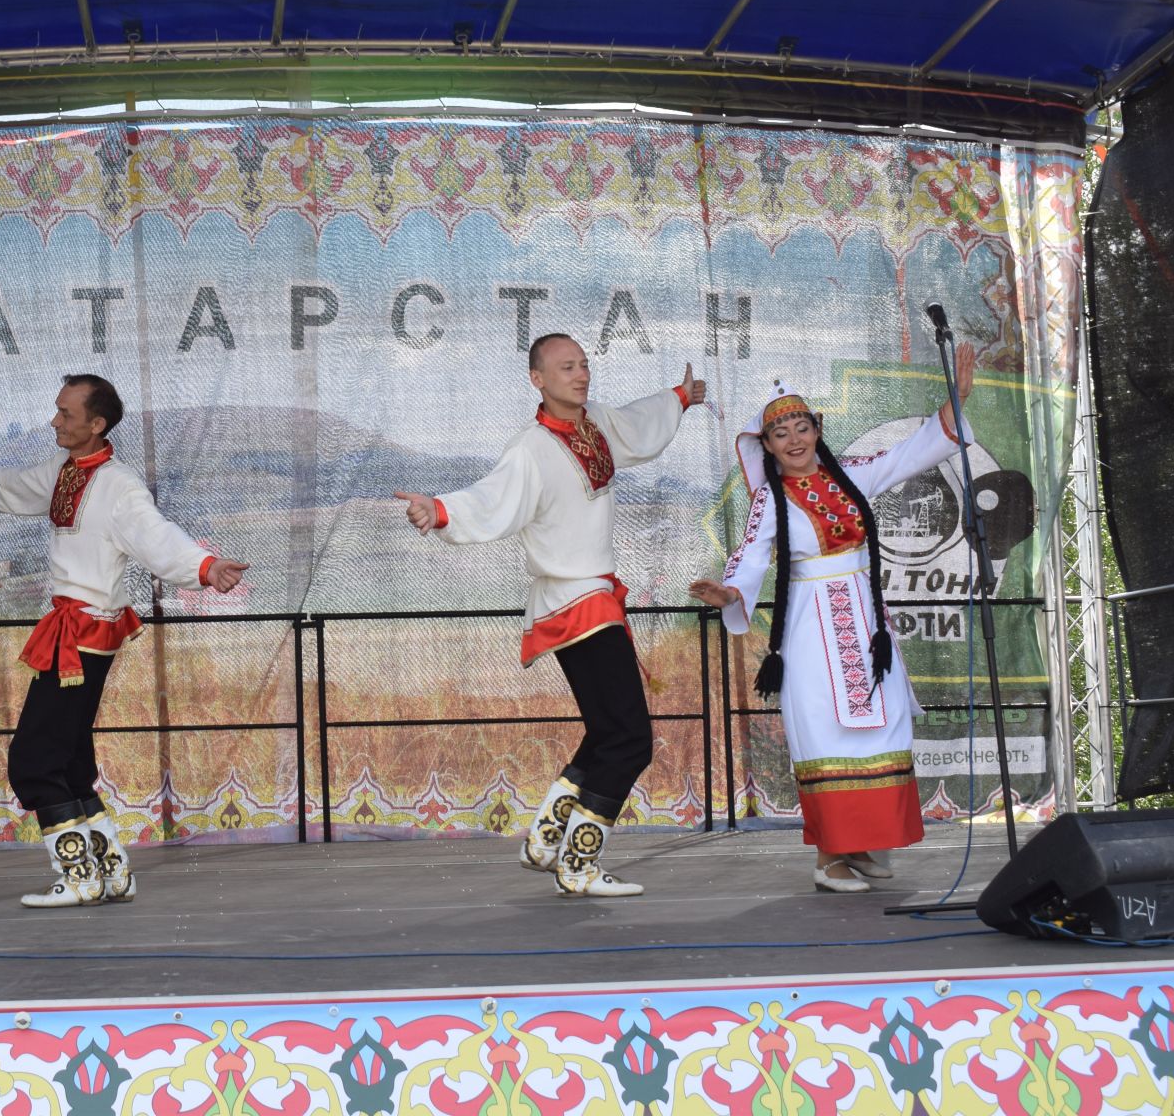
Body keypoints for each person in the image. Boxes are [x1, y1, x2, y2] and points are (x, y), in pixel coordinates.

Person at [394, 335, 705, 897]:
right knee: (630, 739)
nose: (580, 374)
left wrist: (680, 397)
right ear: (537, 378)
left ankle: (547, 835)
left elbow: (639, 424)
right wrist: (439, 510)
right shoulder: (531, 448)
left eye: (584, 364)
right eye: (566, 367)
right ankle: (579, 866)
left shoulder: (597, 426)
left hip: (592, 598)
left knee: (609, 732)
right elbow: (493, 498)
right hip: (576, 601)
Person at [0, 374, 248, 908]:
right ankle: (112, 873)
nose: (55, 420)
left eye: (65, 414)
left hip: (82, 633)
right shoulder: (67, 472)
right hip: (75, 629)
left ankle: (79, 878)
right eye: (57, 411)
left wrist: (204, 566)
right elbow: (24, 485)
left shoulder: (117, 484)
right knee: (68, 762)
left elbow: (155, 535)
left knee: (34, 760)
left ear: (96, 424)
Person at [687, 343, 975, 893]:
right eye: (781, 433)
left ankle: (861, 845)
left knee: (884, 724)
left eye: (801, 427)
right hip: (811, 627)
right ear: (766, 446)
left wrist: (956, 399)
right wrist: (729, 595)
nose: (794, 440)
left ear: (817, 429)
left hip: (868, 627)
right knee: (825, 734)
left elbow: (913, 452)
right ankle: (828, 858)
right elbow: (749, 557)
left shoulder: (853, 476)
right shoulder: (770, 500)